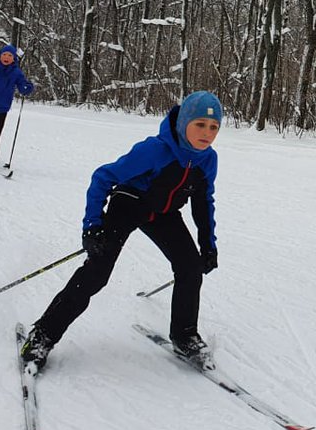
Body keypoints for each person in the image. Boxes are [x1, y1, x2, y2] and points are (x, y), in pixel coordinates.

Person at [21, 91, 222, 372]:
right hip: (129, 203)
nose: (207, 133)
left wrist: (207, 245)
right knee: (96, 273)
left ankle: (184, 335)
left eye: (214, 127)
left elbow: (203, 203)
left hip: (163, 213)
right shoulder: (154, 150)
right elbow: (102, 177)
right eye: (200, 124)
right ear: (184, 122)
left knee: (190, 267)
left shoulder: (207, 160)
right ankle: (42, 335)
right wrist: (92, 226)